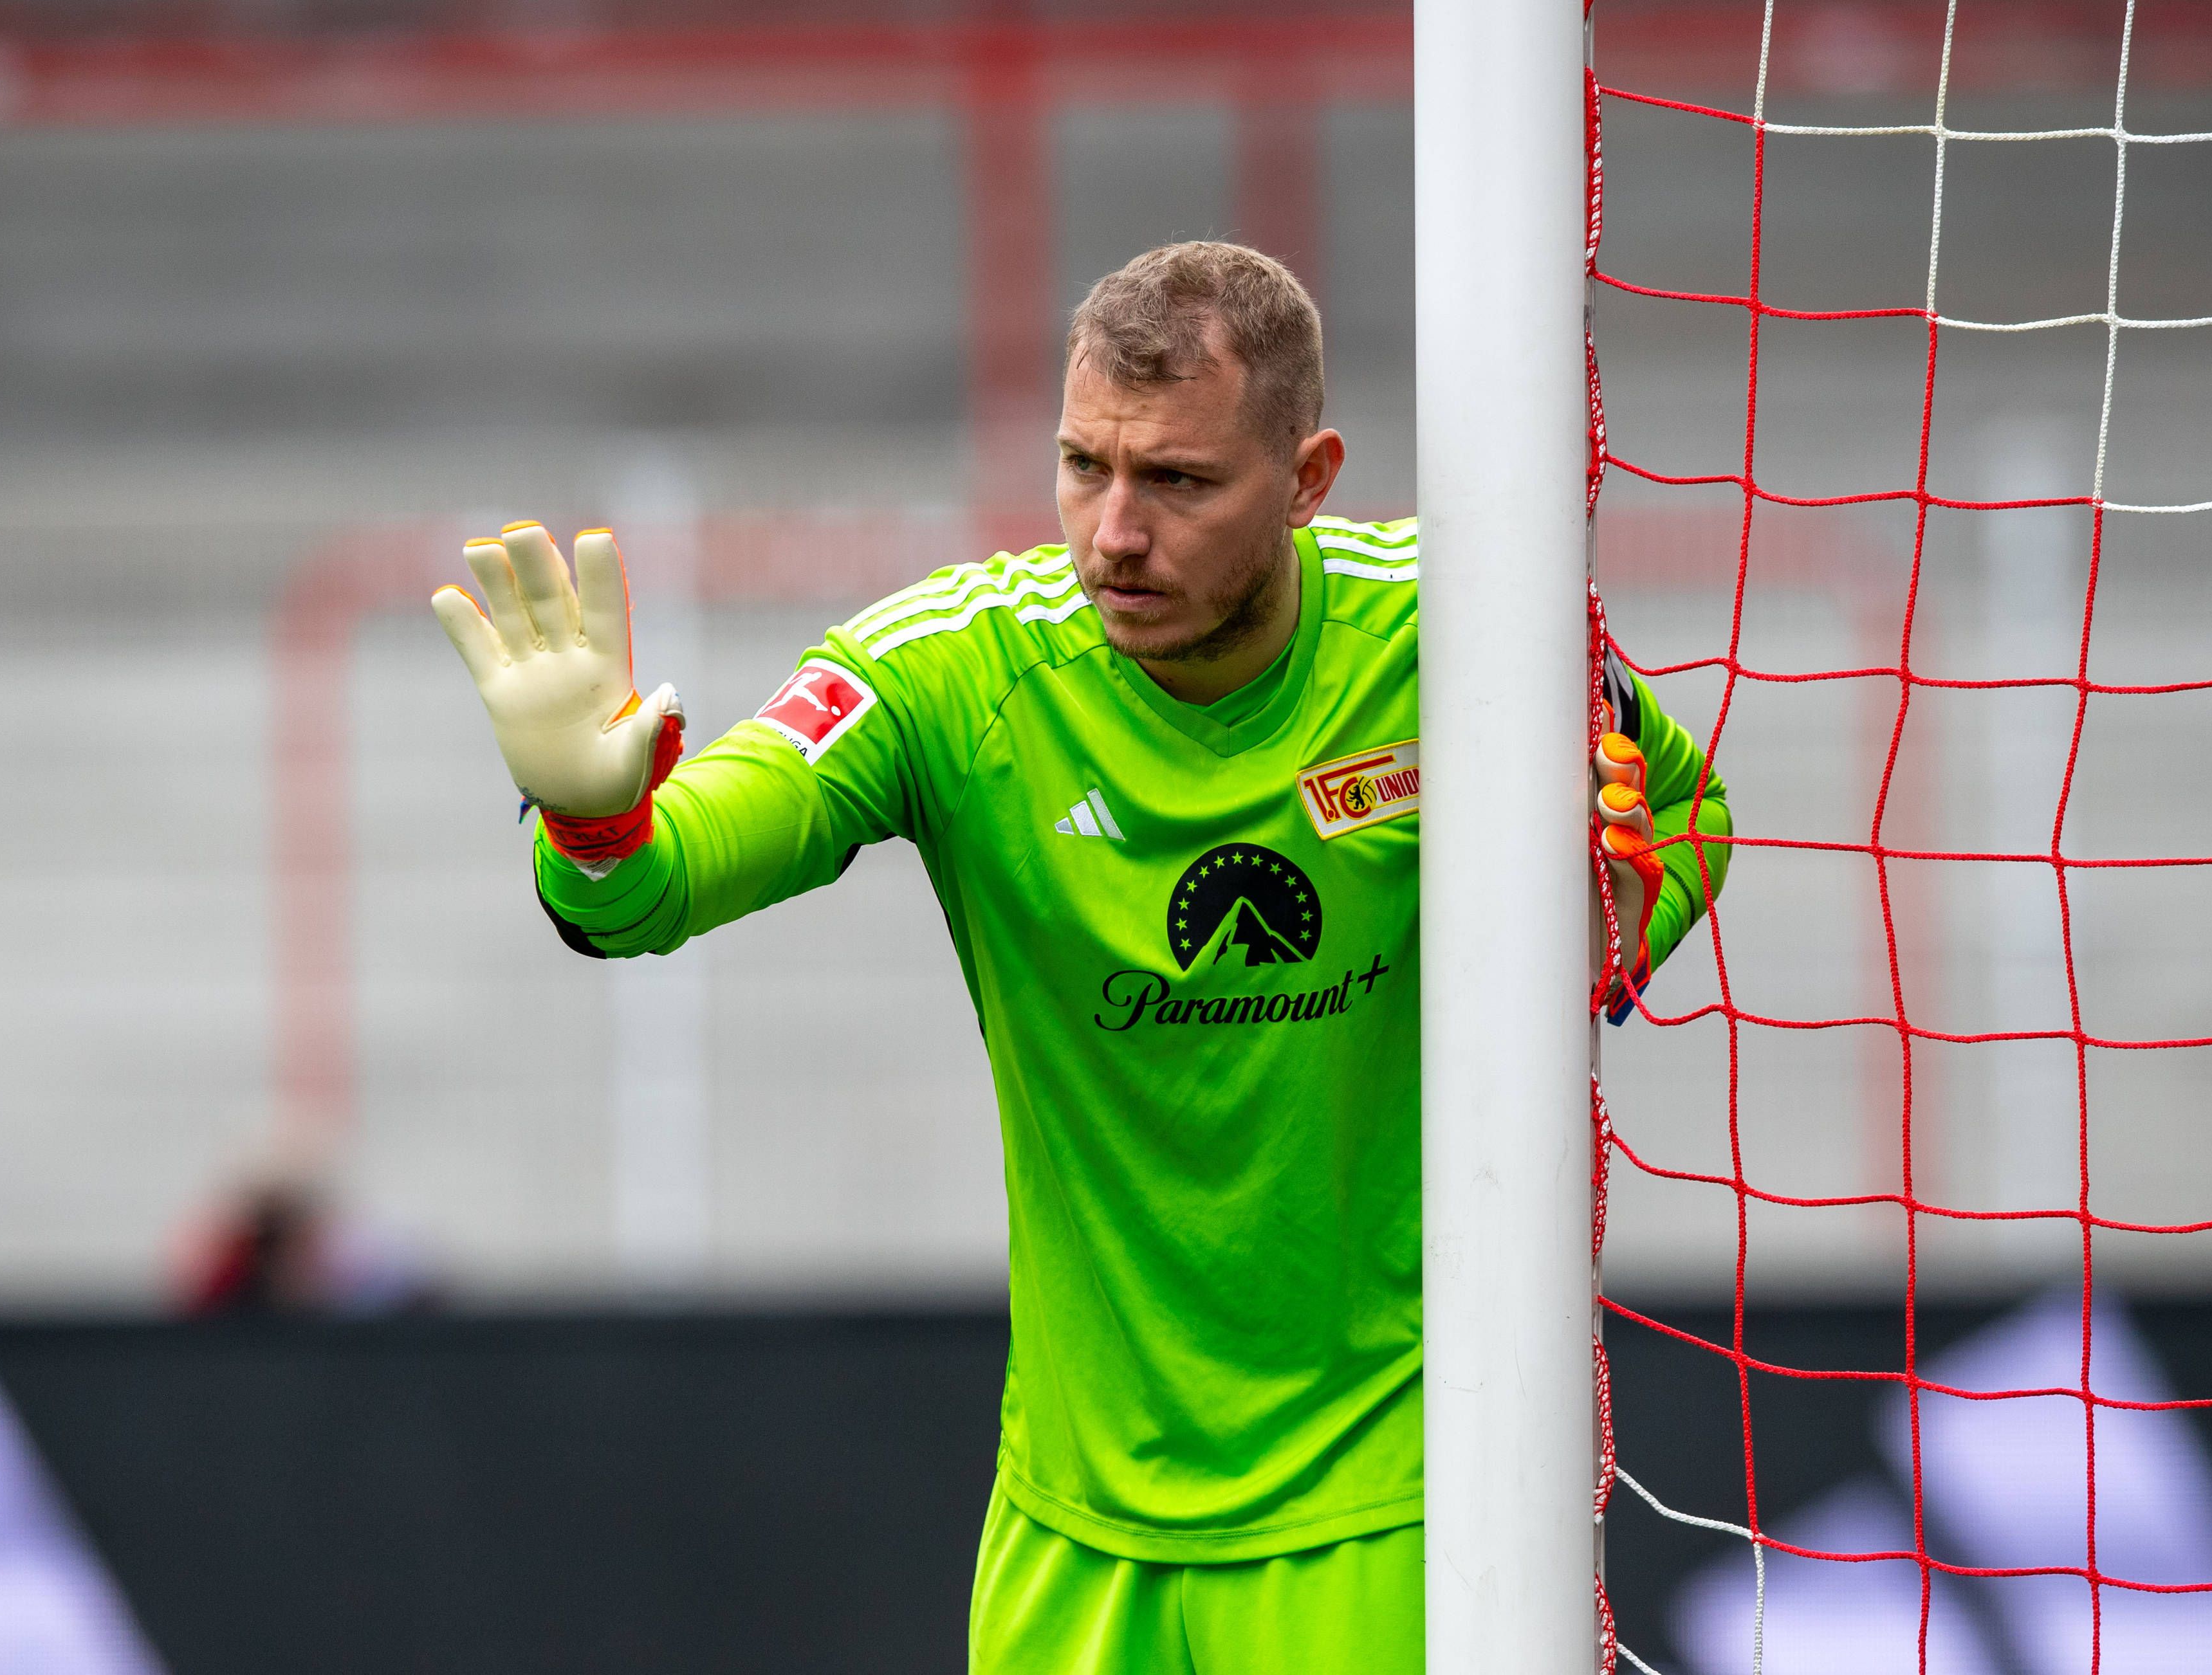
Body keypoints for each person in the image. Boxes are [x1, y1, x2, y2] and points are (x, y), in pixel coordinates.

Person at [432, 241, 1730, 1672]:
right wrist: (596, 821)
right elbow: (659, 885)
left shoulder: (1464, 630)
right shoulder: (955, 672)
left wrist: (1596, 933)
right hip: (1073, 1540)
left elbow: (1682, 815)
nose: (1114, 533)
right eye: (1081, 466)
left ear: (1306, 479)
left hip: (1396, 1506)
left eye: (1177, 481)